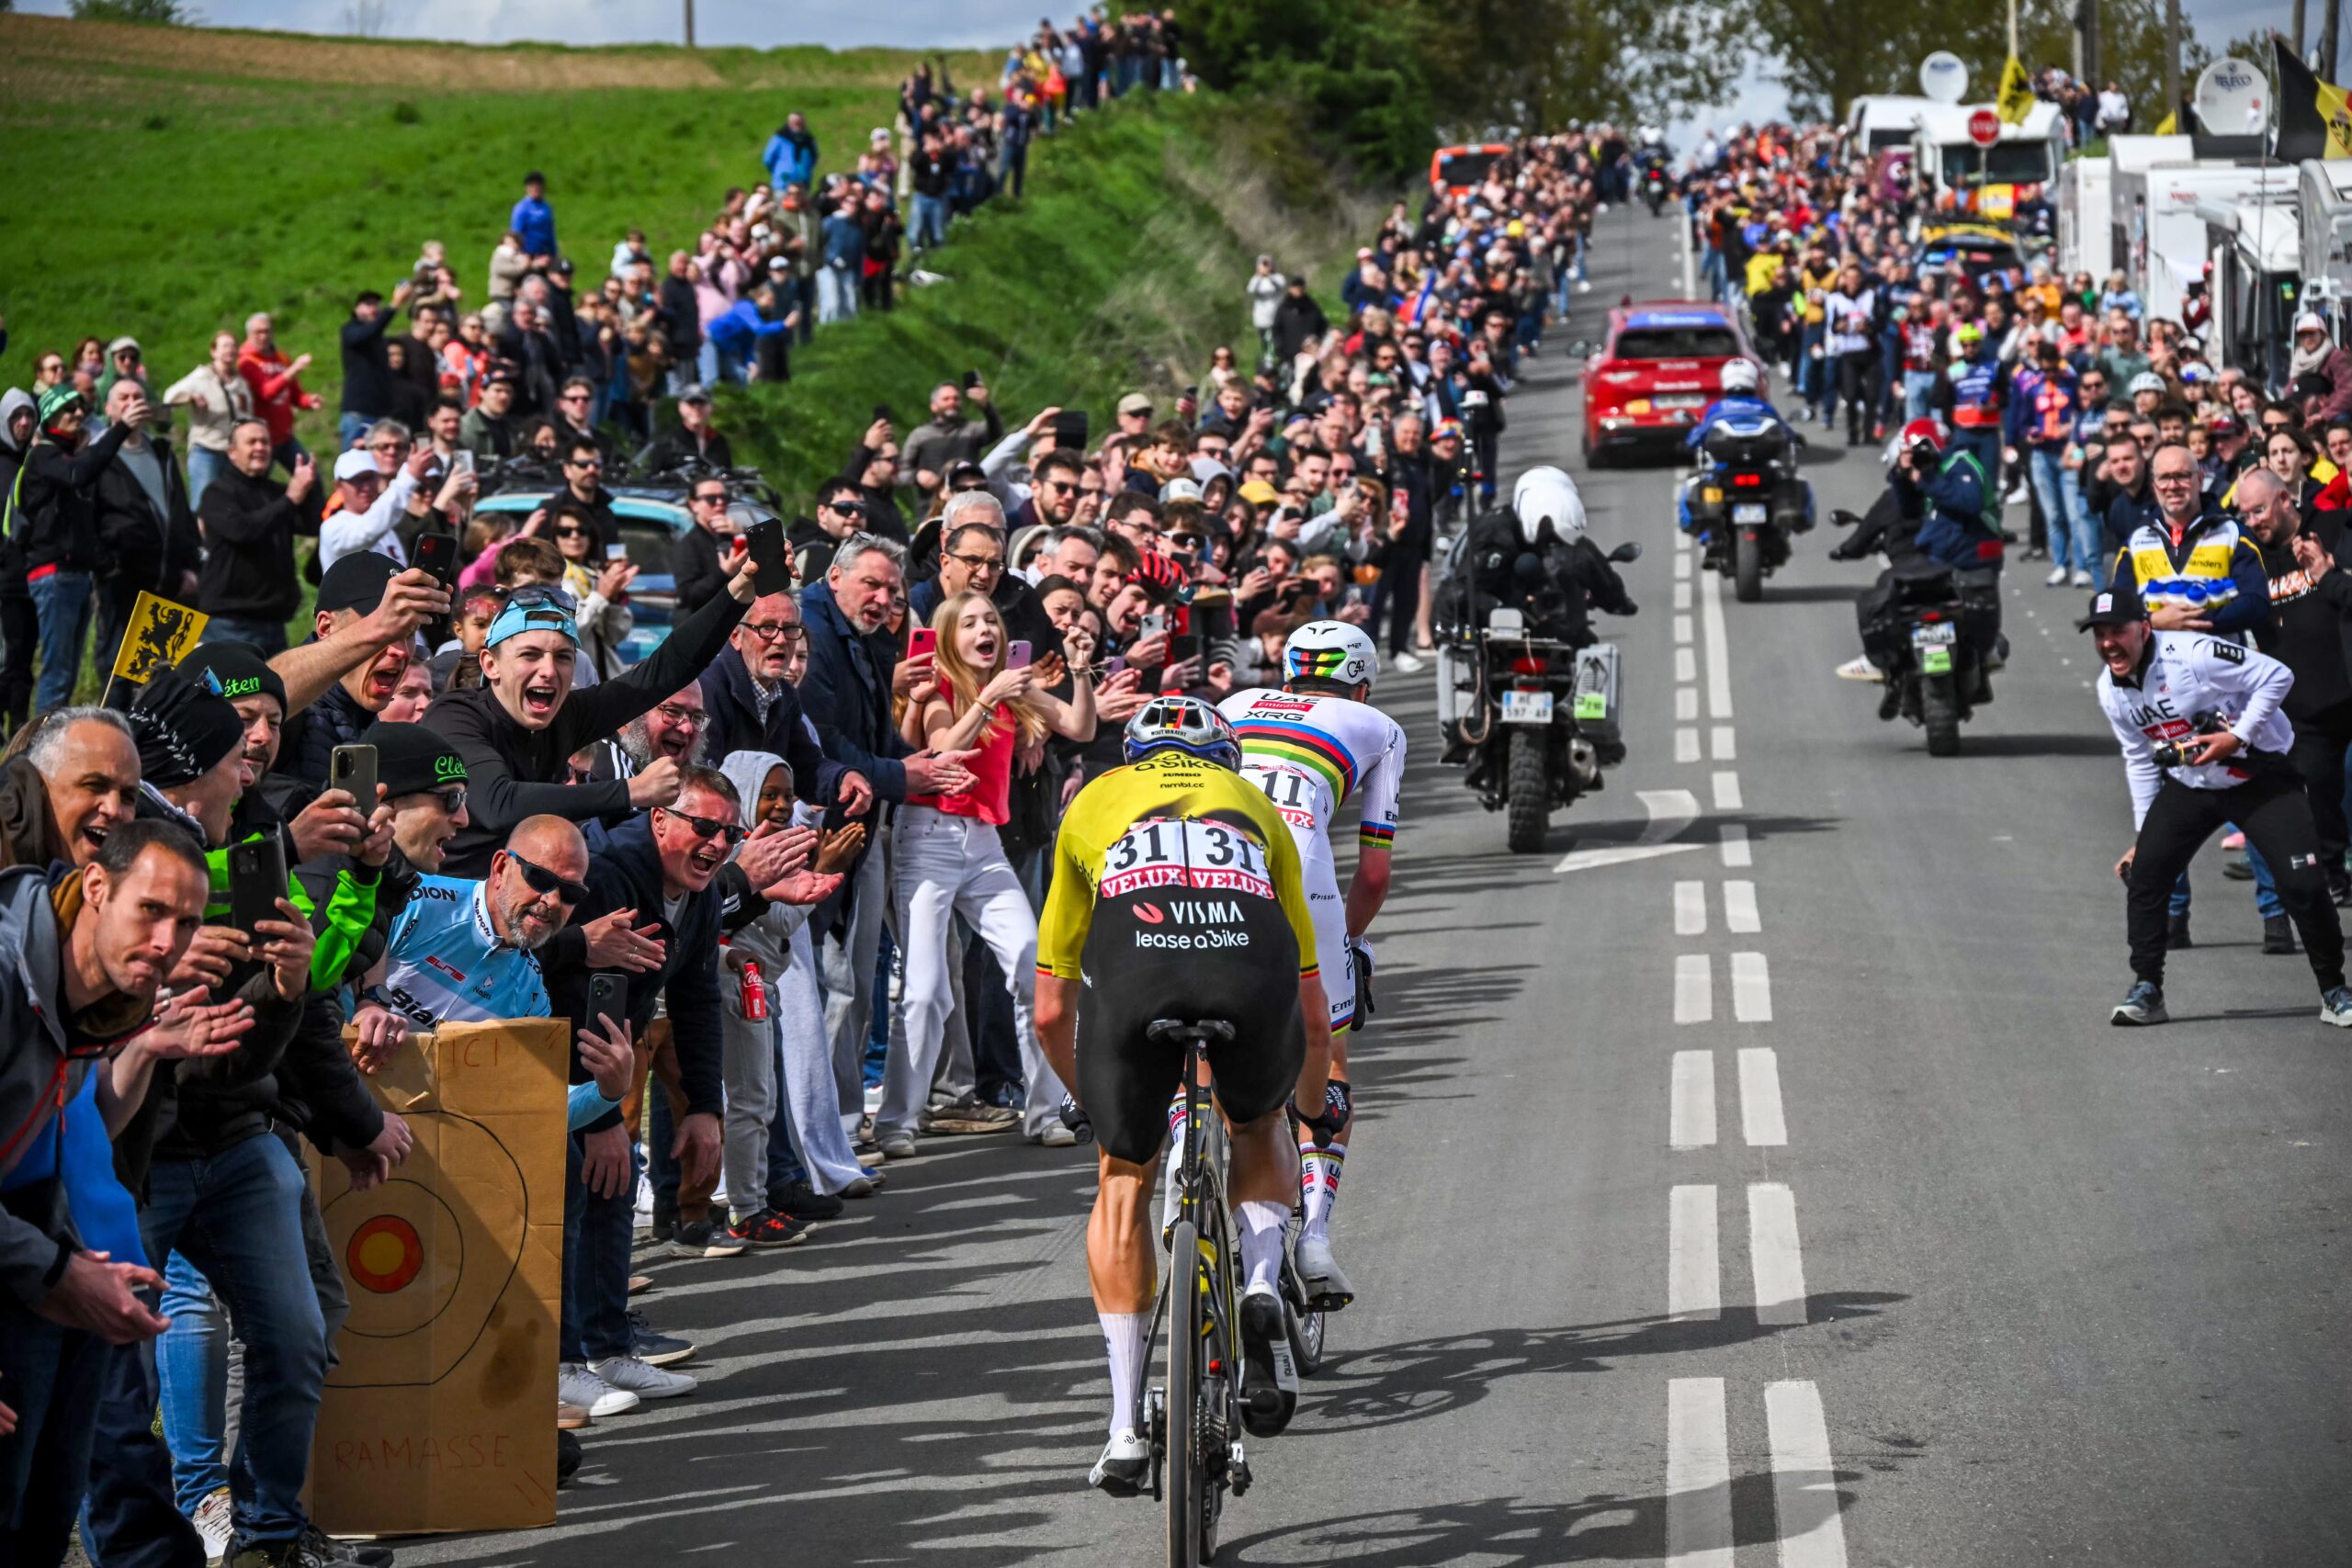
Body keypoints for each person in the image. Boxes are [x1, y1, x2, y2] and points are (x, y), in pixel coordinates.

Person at [1035, 696, 1332, 1492]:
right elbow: (1311, 1002)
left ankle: (1126, 1425)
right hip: (1248, 958)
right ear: (1223, 763)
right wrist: (1307, 1107)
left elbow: (1050, 1007)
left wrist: (1096, 1106)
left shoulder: (1090, 801)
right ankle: (1263, 1278)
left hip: (1139, 964)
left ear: (1130, 756)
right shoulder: (1256, 807)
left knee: (1123, 1176)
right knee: (1257, 1121)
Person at [0, 820, 251, 1568]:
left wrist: (142, 1047)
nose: (170, 938)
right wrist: (57, 1269)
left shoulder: (93, 1000)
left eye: (188, 921)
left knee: (43, 1519)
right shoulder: (10, 975)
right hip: (37, 1272)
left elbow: (65, 1130)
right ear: (98, 887)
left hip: (51, 1271)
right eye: (152, 910)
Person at [1216, 620, 1401, 1309]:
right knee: (1328, 1061)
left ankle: (1196, 1167)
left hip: (1212, 874)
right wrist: (1342, 942)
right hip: (1307, 879)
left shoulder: (1234, 705)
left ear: (1287, 672)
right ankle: (1315, 1234)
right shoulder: (1376, 724)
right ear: (1361, 682)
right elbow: (1375, 875)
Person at [881, 589, 1095, 1156]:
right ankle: (898, 1120)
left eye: (992, 621)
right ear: (950, 638)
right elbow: (943, 748)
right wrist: (987, 700)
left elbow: (1079, 724)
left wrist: (1078, 670)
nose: (987, 630)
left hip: (984, 844)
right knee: (925, 992)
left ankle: (1045, 1110)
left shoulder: (1015, 689)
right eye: (971, 622)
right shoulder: (940, 689)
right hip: (927, 839)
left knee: (1033, 965)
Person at [2083, 581, 2352, 1028]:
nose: (2109, 643)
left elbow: (2277, 676)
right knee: (2146, 874)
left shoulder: (2192, 655)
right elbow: (2139, 759)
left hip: (2259, 776)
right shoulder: (2111, 690)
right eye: (2099, 634)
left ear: (2144, 629)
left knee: (2303, 884)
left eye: (2118, 631)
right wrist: (2141, 834)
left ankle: (2334, 990)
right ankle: (2147, 988)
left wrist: (2236, 737)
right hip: (2192, 782)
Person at [434, 542, 760, 874]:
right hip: (435, 900)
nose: (548, 670)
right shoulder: (455, 716)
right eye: (530, 655)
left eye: (563, 657)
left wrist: (740, 590)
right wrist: (631, 791)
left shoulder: (566, 716)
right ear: (491, 665)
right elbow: (498, 804)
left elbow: (668, 669)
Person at [194, 421, 317, 654]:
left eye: (265, 442)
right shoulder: (218, 493)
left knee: (274, 691)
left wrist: (309, 485)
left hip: (274, 619)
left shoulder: (276, 492)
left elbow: (312, 525)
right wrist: (291, 499)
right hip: (231, 621)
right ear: (232, 452)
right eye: (251, 442)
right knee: (237, 691)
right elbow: (243, 530)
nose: (260, 447)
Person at [669, 475, 737, 616]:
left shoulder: (731, 536)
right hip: (700, 624)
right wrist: (723, 573)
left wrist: (742, 534)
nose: (720, 503)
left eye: (724, 497)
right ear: (694, 505)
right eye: (711, 499)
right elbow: (688, 596)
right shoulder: (687, 545)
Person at [638, 385, 734, 476]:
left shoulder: (719, 441)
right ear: (681, 407)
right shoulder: (667, 443)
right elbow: (653, 481)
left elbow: (728, 475)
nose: (696, 408)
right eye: (691, 403)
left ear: (711, 408)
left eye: (702, 403)